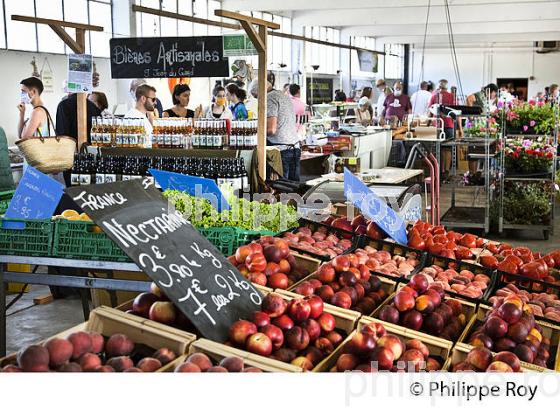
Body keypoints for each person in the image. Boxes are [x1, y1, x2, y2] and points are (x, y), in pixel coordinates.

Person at [250, 72, 300, 181]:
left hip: (282, 150)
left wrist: (254, 133)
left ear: (260, 91)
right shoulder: (283, 95)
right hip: (295, 146)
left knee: (282, 189)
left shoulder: (269, 98)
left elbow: (271, 129)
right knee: (294, 188)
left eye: (256, 96)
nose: (258, 100)